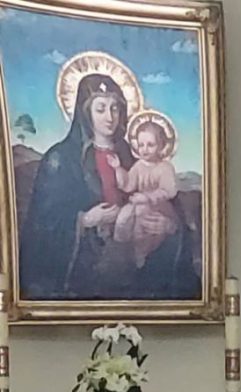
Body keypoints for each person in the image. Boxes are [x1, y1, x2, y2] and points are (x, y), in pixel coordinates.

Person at [19, 74, 196, 301]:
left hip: (134, 272)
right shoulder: (61, 159)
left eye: (115, 108)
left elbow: (170, 203)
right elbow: (41, 224)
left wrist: (169, 225)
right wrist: (84, 220)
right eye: (101, 109)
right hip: (85, 272)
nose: (110, 117)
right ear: (86, 113)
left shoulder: (135, 157)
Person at [111, 119, 179, 269]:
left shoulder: (165, 168)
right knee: (123, 216)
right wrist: (117, 169)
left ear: (161, 146)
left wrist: (147, 197)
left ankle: (141, 254)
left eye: (150, 145)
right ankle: (119, 249)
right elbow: (128, 185)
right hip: (138, 202)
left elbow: (169, 190)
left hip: (158, 206)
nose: (145, 149)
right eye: (141, 145)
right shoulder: (138, 166)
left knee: (143, 224)